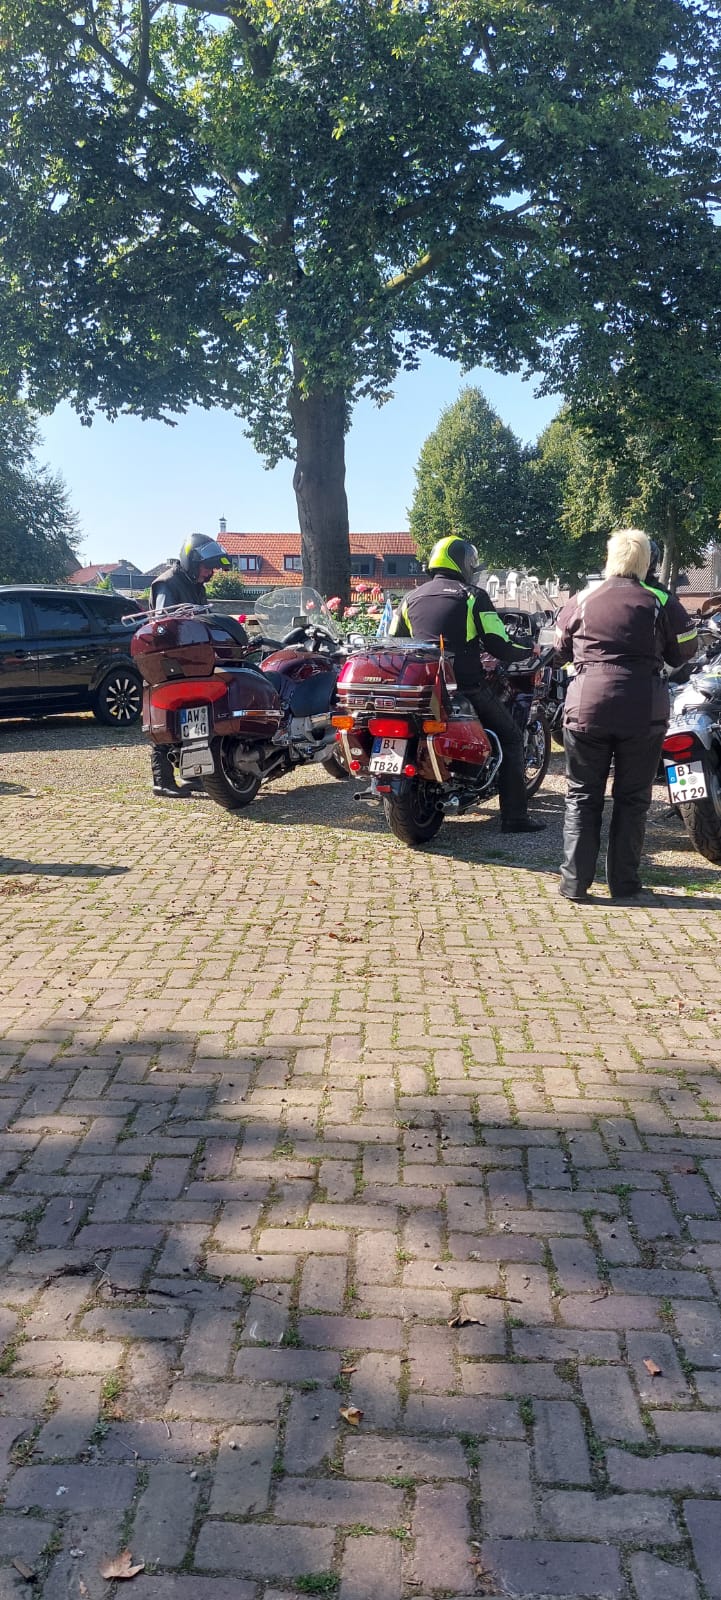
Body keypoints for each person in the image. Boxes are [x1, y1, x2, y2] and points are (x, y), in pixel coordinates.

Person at [555, 527, 698, 902]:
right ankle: (624, 883)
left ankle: (574, 883)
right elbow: (686, 650)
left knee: (581, 796)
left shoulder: (583, 597)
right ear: (647, 561)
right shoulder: (660, 599)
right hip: (642, 710)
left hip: (587, 707)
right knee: (632, 798)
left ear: (610, 558)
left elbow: (558, 648)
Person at [389, 536, 545, 833]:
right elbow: (499, 644)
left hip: (421, 689)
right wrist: (529, 649)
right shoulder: (472, 596)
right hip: (465, 685)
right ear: (463, 562)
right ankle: (515, 818)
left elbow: (395, 643)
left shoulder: (410, 598)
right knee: (512, 737)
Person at [149, 533, 231, 797]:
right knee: (167, 716)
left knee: (195, 714)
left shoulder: (197, 586)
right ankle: (162, 780)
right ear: (192, 561)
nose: (210, 573)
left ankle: (193, 773)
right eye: (207, 567)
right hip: (167, 658)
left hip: (192, 656)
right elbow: (163, 622)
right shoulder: (167, 583)